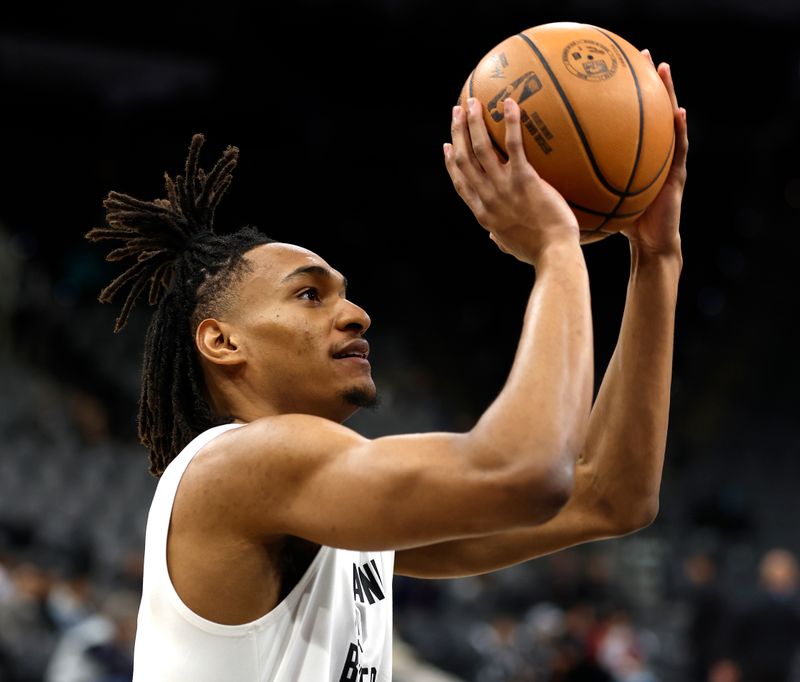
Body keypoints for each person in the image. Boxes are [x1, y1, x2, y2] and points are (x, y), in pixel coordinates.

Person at [86, 53, 687, 681]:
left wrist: (657, 258)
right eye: (310, 295)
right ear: (222, 341)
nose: (356, 315)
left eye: (345, 295)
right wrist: (556, 247)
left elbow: (611, 498)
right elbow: (528, 471)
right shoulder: (239, 465)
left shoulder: (334, 515)